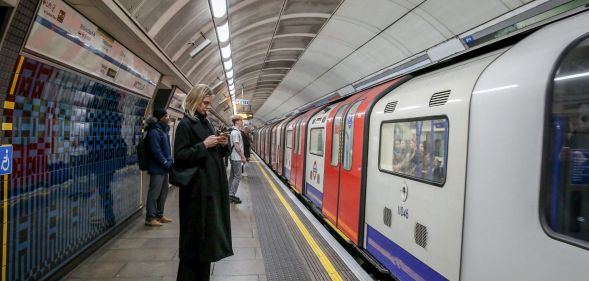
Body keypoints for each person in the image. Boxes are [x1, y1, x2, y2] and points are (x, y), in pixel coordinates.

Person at [173, 85, 233, 281]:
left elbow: (213, 154)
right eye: (205, 103)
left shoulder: (206, 123)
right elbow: (180, 157)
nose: (208, 106)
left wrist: (223, 146)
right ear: (195, 101)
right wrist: (203, 145)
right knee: (193, 245)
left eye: (209, 103)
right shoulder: (185, 125)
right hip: (196, 193)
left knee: (206, 245)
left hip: (210, 192)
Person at [145, 108, 173, 227]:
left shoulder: (163, 131)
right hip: (157, 168)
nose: (168, 118)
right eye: (166, 116)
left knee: (163, 192)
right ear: (160, 118)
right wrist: (165, 162)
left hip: (164, 168)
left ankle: (159, 215)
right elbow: (155, 151)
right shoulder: (154, 132)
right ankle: (150, 218)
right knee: (154, 193)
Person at [228, 115, 247, 203]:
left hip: (234, 157)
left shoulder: (235, 131)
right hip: (236, 157)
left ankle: (229, 193)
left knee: (233, 175)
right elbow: (237, 146)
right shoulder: (235, 132)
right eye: (241, 120)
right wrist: (243, 157)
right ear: (236, 121)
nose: (242, 122)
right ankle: (231, 194)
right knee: (237, 176)